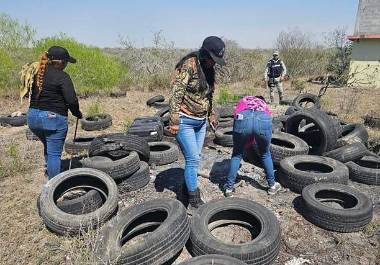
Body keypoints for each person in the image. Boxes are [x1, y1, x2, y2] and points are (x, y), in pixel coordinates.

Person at [168, 36, 226, 212]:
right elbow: (176, 93)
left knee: (195, 159)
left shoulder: (209, 69)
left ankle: (186, 189)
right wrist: (174, 120)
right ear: (204, 54)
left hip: (200, 122)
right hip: (185, 120)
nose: (213, 63)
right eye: (212, 59)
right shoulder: (189, 65)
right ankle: (194, 200)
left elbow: (208, 96)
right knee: (192, 159)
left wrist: (211, 114)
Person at [27, 46, 82, 179]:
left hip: (33, 118)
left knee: (48, 146)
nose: (67, 65)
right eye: (67, 62)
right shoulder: (62, 76)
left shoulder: (37, 73)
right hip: (52, 119)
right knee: (54, 154)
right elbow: (71, 100)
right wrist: (77, 113)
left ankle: (51, 171)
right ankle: (54, 186)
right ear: (61, 62)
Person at [223, 95, 282, 197]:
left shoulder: (244, 100)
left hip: (243, 118)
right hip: (263, 118)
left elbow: (236, 117)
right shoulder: (263, 104)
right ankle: (272, 186)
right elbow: (262, 124)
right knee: (265, 153)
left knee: (237, 154)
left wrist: (244, 143)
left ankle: (229, 188)